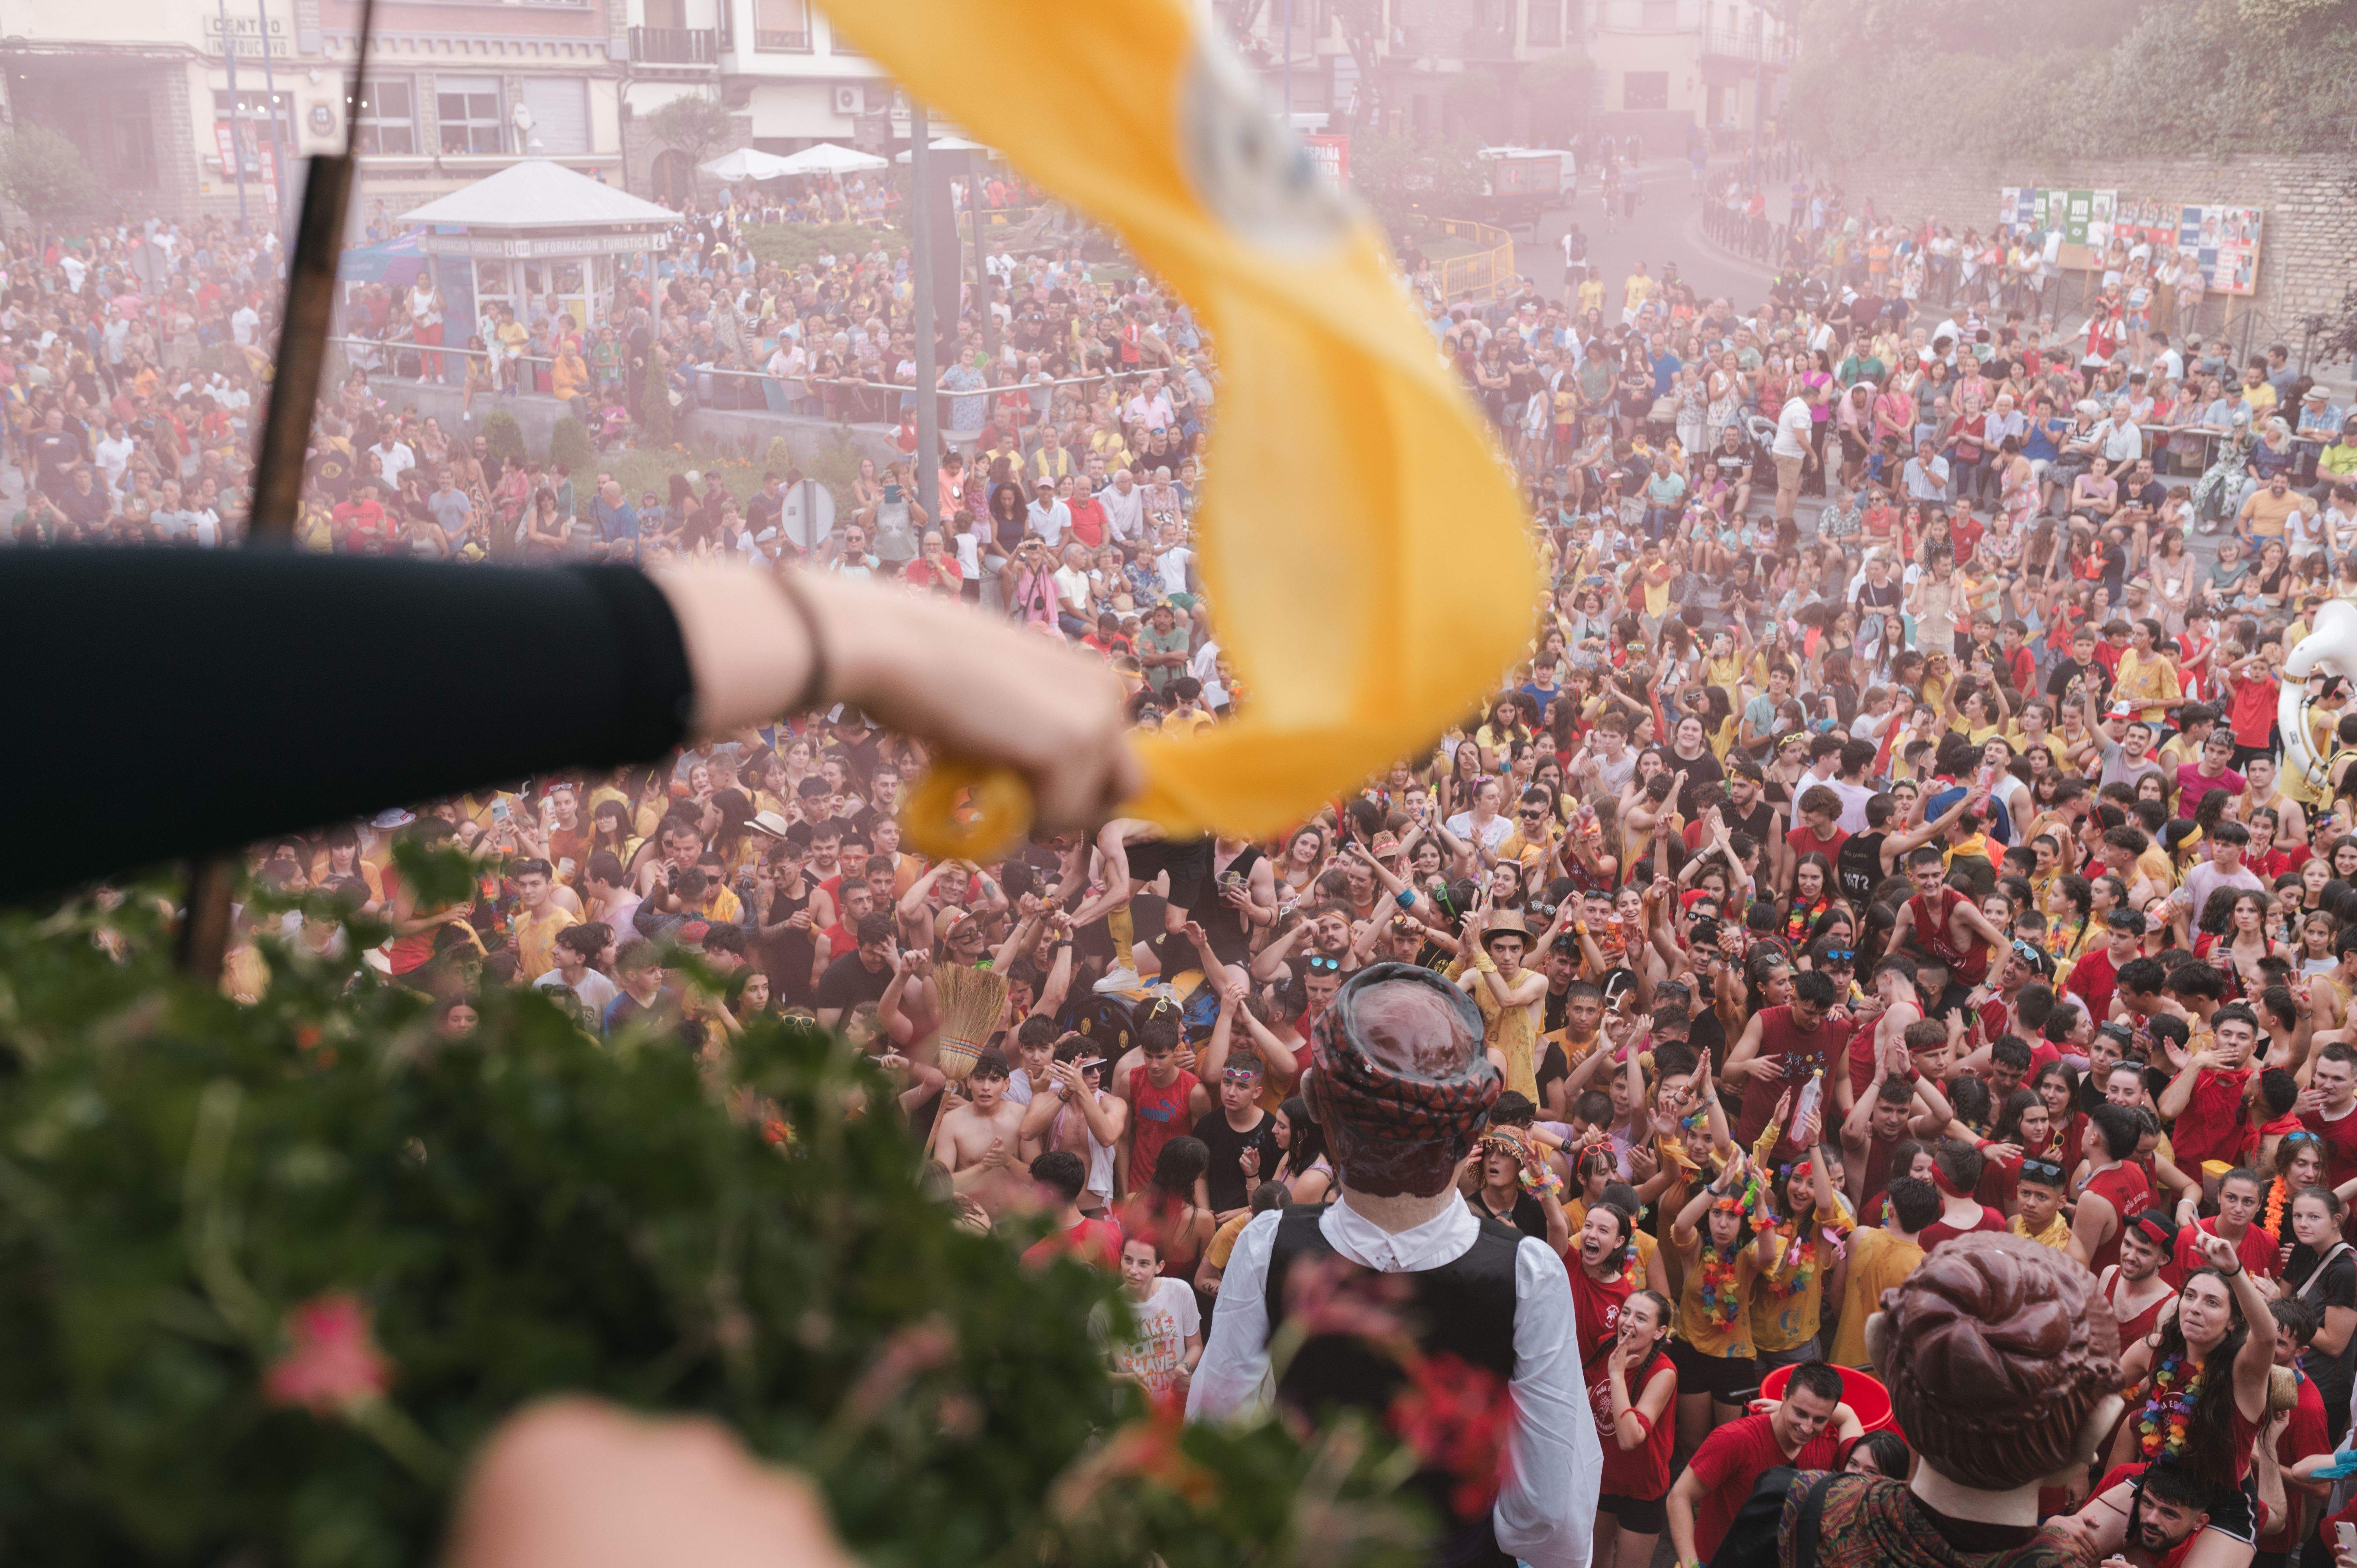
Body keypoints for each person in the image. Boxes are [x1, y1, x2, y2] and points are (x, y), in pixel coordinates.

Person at [1188, 963, 1602, 1568]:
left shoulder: (1269, 1244)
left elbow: (1217, 1446)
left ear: (1325, 1119)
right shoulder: (1526, 1274)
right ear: (1470, 1133)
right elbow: (1554, 1517)